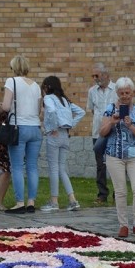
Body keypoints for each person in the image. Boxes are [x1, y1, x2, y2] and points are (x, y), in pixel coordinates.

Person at [99, 77, 135, 238]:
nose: (125, 96)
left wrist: (130, 125)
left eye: (128, 92)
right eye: (122, 93)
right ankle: (123, 225)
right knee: (120, 191)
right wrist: (112, 122)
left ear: (133, 93)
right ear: (117, 93)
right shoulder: (110, 109)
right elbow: (102, 132)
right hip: (114, 155)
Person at [2, 55, 42, 214]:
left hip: (19, 128)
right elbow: (39, 110)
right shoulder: (36, 85)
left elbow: (5, 106)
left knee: (17, 166)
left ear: (14, 68)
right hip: (35, 128)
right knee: (32, 166)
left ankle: (20, 203)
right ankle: (31, 201)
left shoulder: (11, 82)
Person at [41, 76, 85, 212]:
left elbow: (52, 111)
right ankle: (72, 200)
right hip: (65, 134)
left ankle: (54, 201)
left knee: (54, 168)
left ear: (47, 87)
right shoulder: (65, 100)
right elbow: (81, 112)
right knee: (61, 169)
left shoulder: (48, 98)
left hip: (54, 135)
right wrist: (70, 124)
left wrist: (53, 127)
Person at [87, 63, 117, 205]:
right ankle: (102, 194)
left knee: (117, 163)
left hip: (115, 132)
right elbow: (92, 110)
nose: (94, 78)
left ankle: (118, 194)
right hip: (98, 133)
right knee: (100, 164)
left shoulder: (117, 89)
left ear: (105, 75)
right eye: (93, 76)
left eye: (96, 75)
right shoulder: (92, 91)